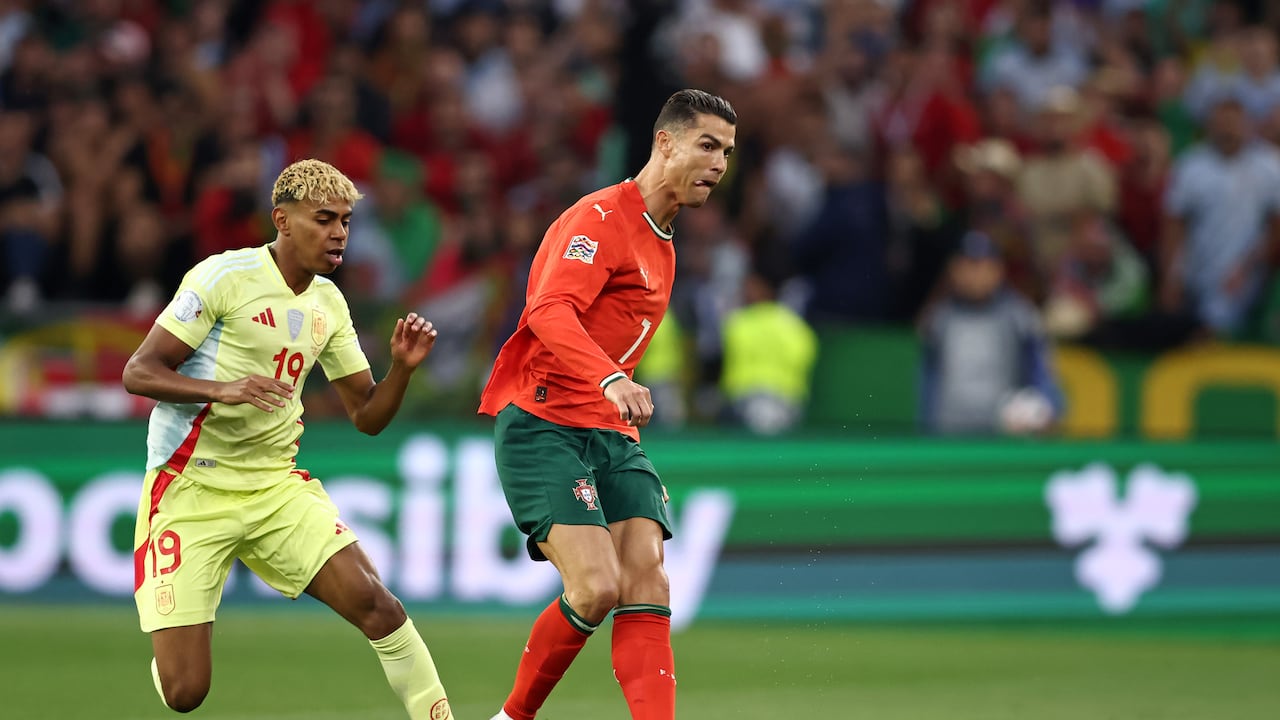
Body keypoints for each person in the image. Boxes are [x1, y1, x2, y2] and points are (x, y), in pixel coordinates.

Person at [121, 159, 452, 719]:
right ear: (283, 220)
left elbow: (367, 416)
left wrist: (401, 370)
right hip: (190, 487)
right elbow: (139, 371)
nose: (339, 233)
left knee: (378, 605)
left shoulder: (328, 303)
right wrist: (223, 389)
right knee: (185, 693)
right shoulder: (222, 278)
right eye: (324, 219)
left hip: (274, 487)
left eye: (345, 221)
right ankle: (169, 643)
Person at [477, 88, 737, 720]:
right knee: (595, 588)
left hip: (610, 431)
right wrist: (610, 379)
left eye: (728, 152)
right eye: (707, 145)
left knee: (649, 579)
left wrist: (611, 392)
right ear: (665, 143)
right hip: (544, 423)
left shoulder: (663, 241)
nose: (719, 164)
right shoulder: (599, 220)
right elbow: (549, 310)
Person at [920, 230, 1063, 436]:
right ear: (953, 270)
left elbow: (1041, 372)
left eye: (983, 265)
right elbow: (929, 382)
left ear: (998, 270)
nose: (975, 274)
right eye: (967, 265)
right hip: (949, 434)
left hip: (1001, 437)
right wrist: (927, 428)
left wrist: (1045, 407)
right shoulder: (939, 319)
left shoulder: (1019, 316)